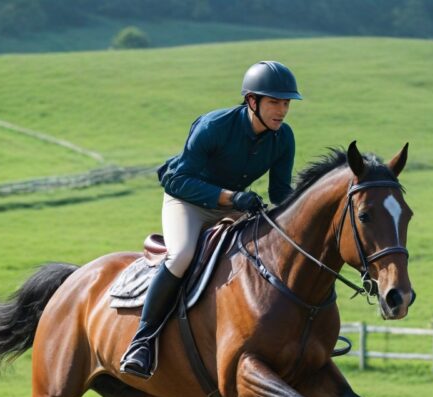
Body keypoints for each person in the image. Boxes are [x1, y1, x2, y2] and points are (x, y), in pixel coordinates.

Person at [119, 60, 302, 379]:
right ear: (252, 101)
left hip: (235, 205)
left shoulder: (283, 138)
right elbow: (177, 180)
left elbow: (280, 191)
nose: (282, 110)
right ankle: (142, 342)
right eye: (274, 102)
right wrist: (232, 198)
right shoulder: (213, 126)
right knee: (182, 255)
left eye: (286, 103)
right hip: (187, 201)